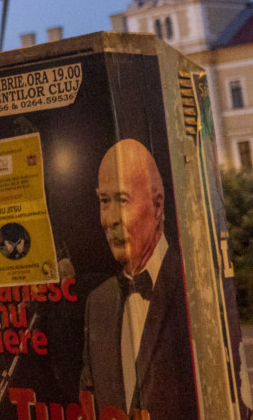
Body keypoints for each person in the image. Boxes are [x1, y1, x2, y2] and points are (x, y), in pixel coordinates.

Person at [80, 138, 196, 420]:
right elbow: (89, 400)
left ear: (157, 206)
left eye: (122, 200)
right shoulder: (98, 302)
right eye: (104, 201)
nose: (110, 219)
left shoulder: (194, 287)